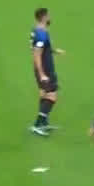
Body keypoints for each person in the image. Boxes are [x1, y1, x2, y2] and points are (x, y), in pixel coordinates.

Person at [30, 7, 64, 137]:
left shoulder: (37, 30)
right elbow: (37, 53)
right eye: (48, 15)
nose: (50, 17)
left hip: (42, 68)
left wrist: (54, 51)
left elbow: (42, 48)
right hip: (45, 69)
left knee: (44, 94)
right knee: (52, 96)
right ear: (44, 17)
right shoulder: (41, 34)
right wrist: (42, 74)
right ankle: (37, 125)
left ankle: (43, 123)